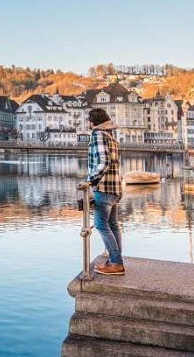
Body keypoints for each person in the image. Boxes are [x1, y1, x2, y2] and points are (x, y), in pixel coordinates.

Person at [78, 108, 124, 275]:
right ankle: (115, 259)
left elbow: (103, 162)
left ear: (92, 122)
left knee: (100, 225)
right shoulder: (111, 137)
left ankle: (116, 263)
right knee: (113, 225)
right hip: (115, 187)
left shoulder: (98, 135)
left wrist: (90, 180)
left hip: (104, 187)